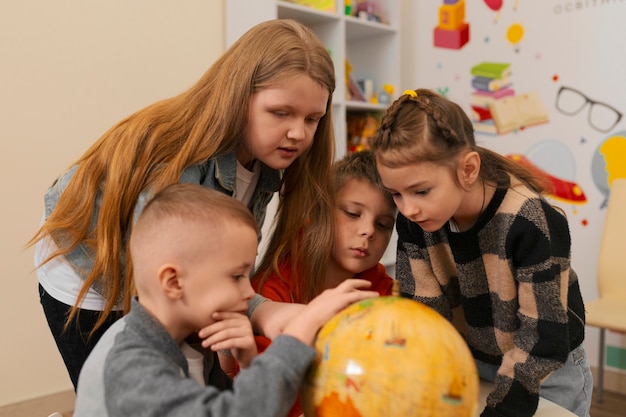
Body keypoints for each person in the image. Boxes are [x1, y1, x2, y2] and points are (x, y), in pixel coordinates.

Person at [28, 18, 337, 389]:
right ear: (239, 97)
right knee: (124, 396)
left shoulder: (267, 159)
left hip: (163, 274)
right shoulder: (178, 169)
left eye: (312, 119)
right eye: (281, 113)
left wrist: (259, 312)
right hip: (90, 266)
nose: (298, 133)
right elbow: (167, 288)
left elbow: (210, 264)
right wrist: (258, 312)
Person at [369, 88, 592, 417]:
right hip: (473, 363)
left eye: (421, 191)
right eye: (396, 195)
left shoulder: (531, 221)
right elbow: (424, 317)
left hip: (546, 372)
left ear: (468, 169)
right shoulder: (416, 221)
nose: (408, 208)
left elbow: (543, 338)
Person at [72, 184, 378, 417]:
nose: (249, 292)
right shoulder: (130, 365)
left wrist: (248, 362)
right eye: (236, 276)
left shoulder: (185, 336)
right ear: (174, 282)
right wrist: (301, 331)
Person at [246, 150, 397, 417]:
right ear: (317, 212)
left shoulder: (383, 291)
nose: (369, 231)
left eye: (384, 224)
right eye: (352, 213)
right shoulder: (274, 285)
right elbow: (268, 395)